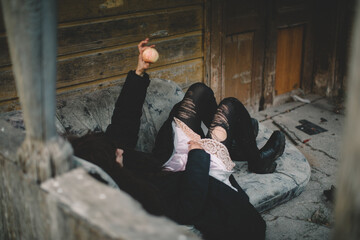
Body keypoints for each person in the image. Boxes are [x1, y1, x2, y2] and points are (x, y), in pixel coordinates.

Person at [70, 38, 286, 240]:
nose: (119, 150)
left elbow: (123, 121)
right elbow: (187, 209)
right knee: (230, 106)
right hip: (196, 174)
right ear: (109, 169)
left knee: (198, 92)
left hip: (167, 163)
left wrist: (139, 72)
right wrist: (197, 155)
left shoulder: (110, 159)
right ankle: (257, 161)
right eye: (114, 154)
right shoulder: (132, 195)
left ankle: (236, 144)